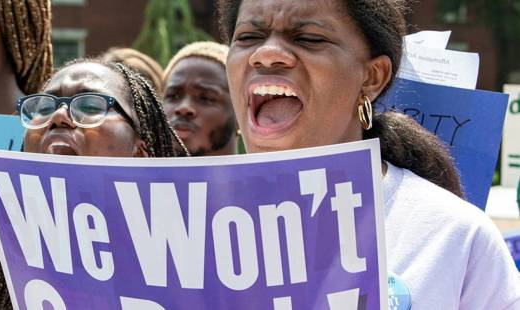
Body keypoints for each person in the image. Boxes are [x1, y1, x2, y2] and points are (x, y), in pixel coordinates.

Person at [218, 0, 520, 308]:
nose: (266, 54)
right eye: (248, 37)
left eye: (308, 38)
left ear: (372, 77)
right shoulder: (181, 232)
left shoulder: (454, 237)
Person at [0, 60, 187, 309]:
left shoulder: (187, 286)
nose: (59, 116)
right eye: (44, 107)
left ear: (140, 153)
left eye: (91, 105)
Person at [162, 42, 239, 156]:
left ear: (240, 114)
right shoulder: (135, 174)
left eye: (206, 98)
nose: (184, 108)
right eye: (173, 96)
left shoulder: (269, 173)